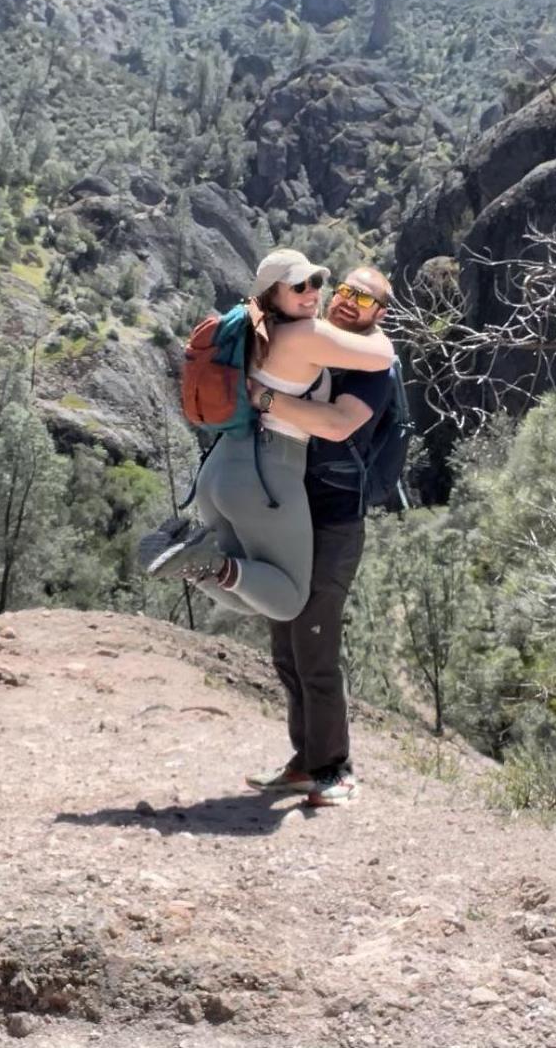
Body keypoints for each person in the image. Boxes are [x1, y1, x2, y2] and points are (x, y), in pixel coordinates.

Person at [145, 250, 395, 624]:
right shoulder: (305, 333)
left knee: (248, 591)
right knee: (288, 601)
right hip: (266, 472)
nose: (312, 293)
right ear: (273, 294)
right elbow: (382, 357)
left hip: (218, 471)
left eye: (317, 282)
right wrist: (375, 320)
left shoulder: (252, 325)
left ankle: (180, 551)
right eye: (298, 285)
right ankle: (198, 558)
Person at [243, 265, 396, 807]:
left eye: (366, 298)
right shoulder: (324, 347)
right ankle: (304, 761)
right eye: (347, 290)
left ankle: (336, 769)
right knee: (286, 641)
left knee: (314, 643)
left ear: (379, 313)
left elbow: (335, 425)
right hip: (293, 511)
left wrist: (261, 398)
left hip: (334, 520)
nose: (350, 301)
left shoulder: (373, 369)